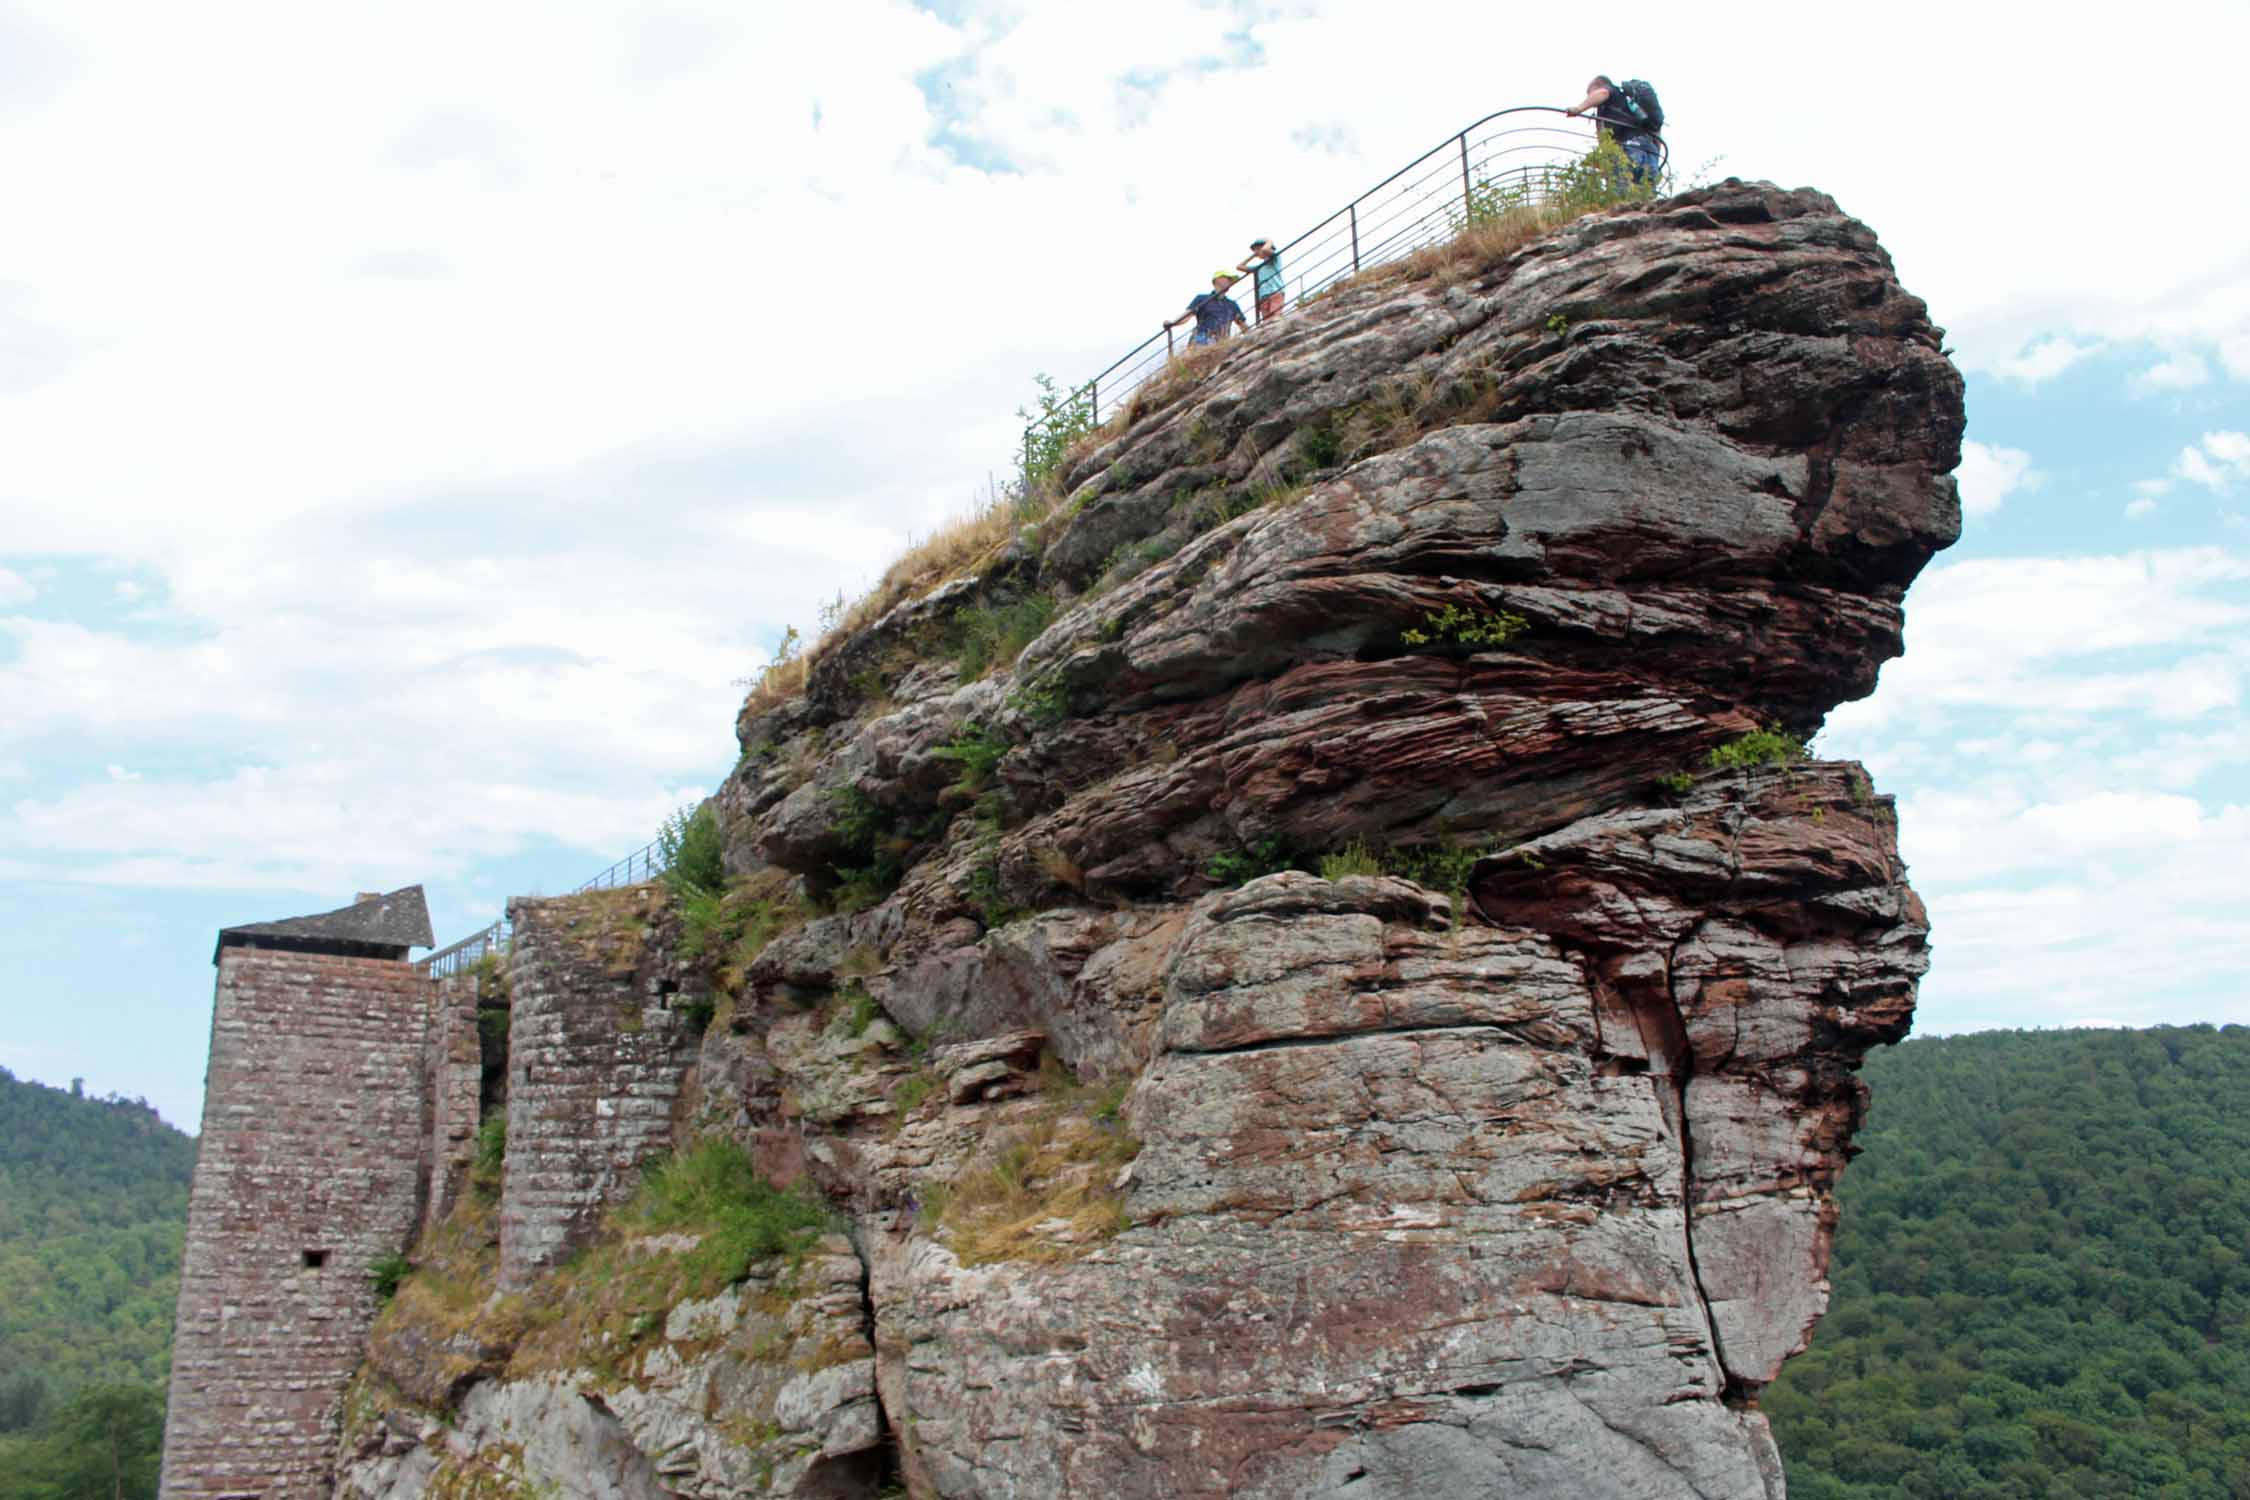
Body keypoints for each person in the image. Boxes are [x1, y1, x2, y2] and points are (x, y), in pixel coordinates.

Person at [1565, 75, 1663, 188]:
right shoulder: (1633, 104)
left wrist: (1578, 109)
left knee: (1621, 191)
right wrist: (1656, 155)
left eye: (1589, 93)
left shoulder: (1611, 91)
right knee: (1646, 195)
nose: (1589, 97)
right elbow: (1656, 130)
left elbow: (1603, 92)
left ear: (1598, 85)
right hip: (1649, 152)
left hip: (1628, 148)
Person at [1165, 270, 1248, 347]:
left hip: (1221, 342)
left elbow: (1242, 324)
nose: (1230, 282)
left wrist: (1252, 335)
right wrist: (1172, 323)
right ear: (1218, 280)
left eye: (1231, 280)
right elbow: (1186, 316)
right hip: (1202, 338)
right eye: (1228, 279)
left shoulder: (1232, 304)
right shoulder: (1202, 299)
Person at [1238, 238, 1284, 322]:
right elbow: (1240, 267)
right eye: (1255, 250)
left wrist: (1269, 241)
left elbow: (1265, 250)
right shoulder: (1259, 267)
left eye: (1258, 249)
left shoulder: (1275, 259)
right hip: (1263, 296)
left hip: (1275, 292)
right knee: (1267, 321)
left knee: (1276, 317)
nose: (1258, 252)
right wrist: (1253, 255)